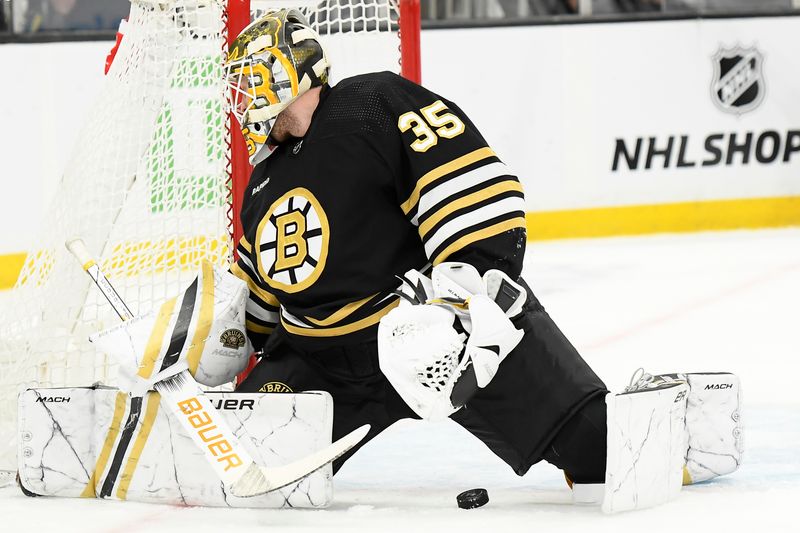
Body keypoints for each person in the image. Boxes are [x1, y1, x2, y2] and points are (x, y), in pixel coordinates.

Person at [225, 9, 608, 493]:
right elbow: (258, 304)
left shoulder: (370, 104)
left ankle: (677, 430)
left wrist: (465, 298)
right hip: (323, 361)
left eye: (253, 83)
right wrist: (217, 338)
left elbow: (476, 189)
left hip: (432, 338)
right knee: (239, 472)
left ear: (292, 70)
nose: (245, 102)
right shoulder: (261, 185)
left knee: (599, 450)